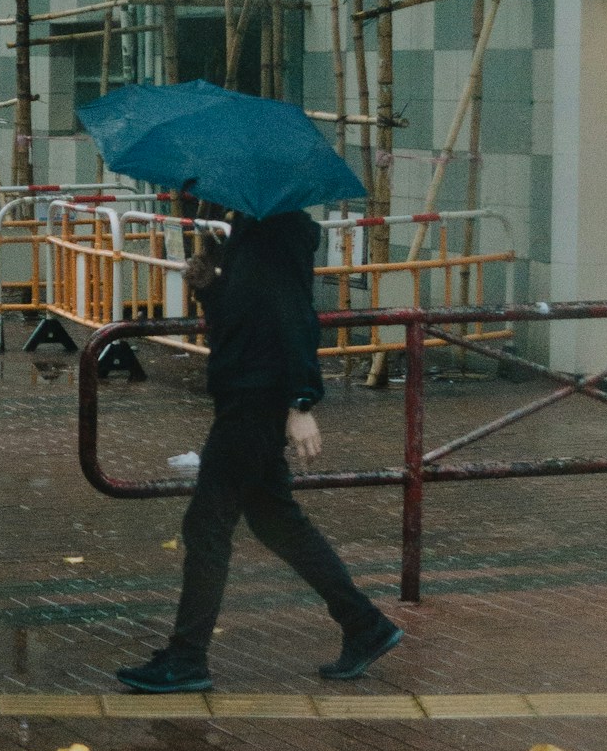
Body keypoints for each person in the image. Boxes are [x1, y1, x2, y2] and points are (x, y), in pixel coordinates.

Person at [118, 193, 402, 694]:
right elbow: (244, 317)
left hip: (257, 398)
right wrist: (210, 287)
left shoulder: (275, 234)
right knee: (275, 520)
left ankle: (187, 658)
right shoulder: (250, 231)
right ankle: (364, 625)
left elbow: (293, 318)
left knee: (206, 525)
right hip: (245, 393)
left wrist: (300, 403)